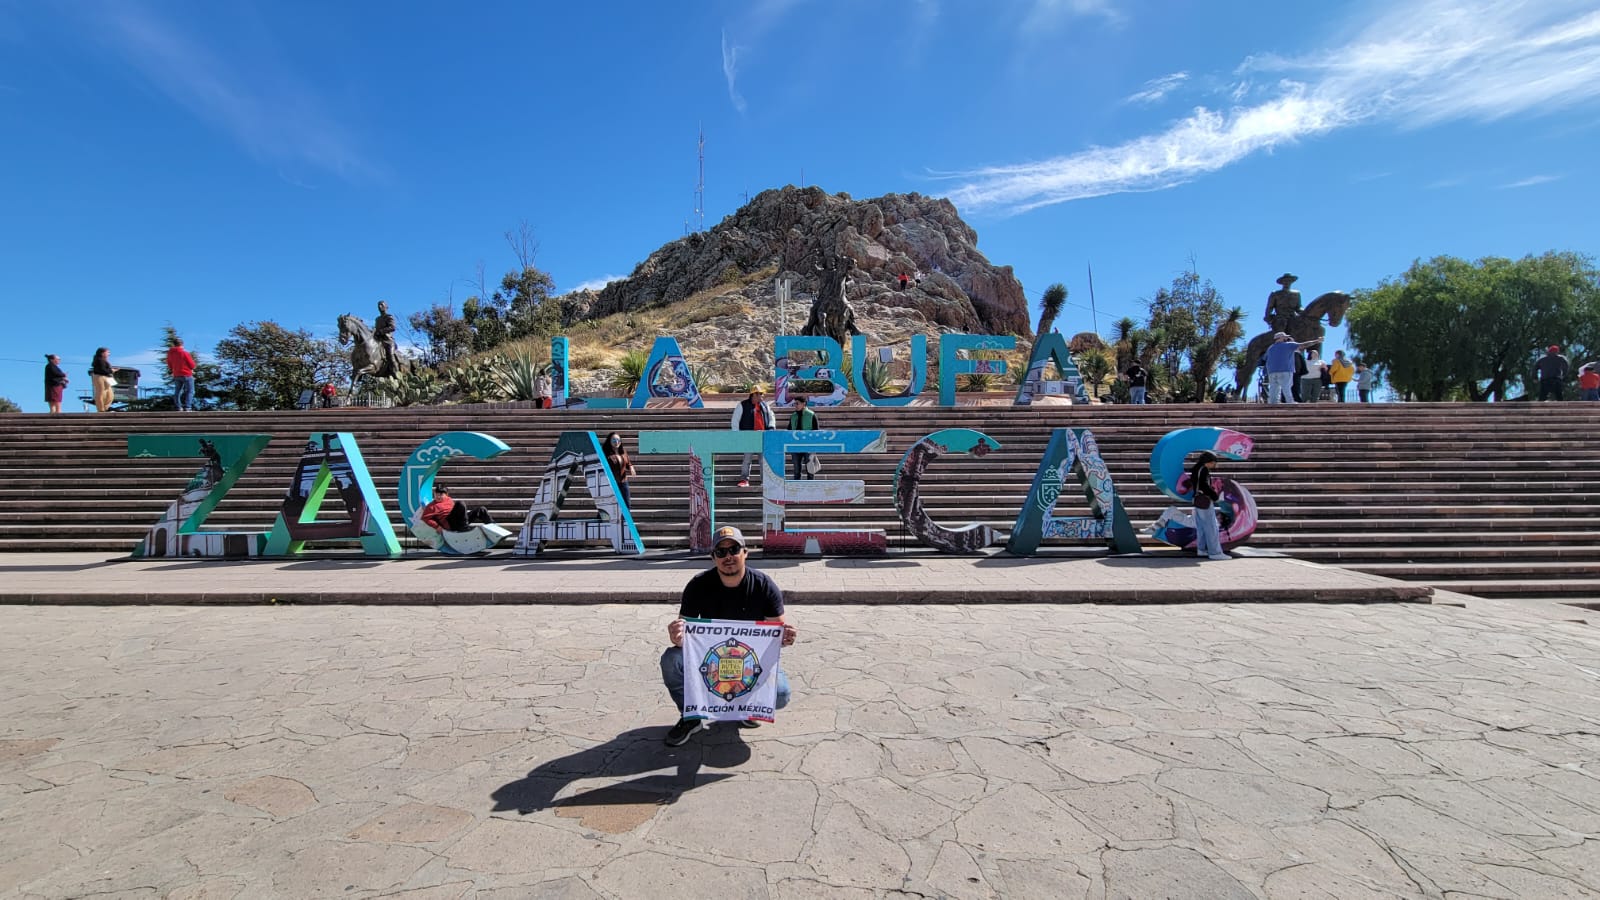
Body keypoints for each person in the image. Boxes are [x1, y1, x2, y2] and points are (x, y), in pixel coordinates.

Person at [661, 525, 796, 746]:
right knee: (671, 660)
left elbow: (777, 633)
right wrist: (677, 636)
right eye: (721, 552)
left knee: (780, 694)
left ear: (745, 552)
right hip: (711, 662)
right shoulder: (698, 585)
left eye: (733, 549)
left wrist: (786, 637)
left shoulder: (764, 585)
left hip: (749, 662)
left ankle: (748, 708)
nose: (728, 557)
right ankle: (692, 716)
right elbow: (684, 633)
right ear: (713, 557)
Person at [730, 388, 776, 488]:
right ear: (754, 395)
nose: (762, 396)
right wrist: (736, 435)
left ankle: (765, 481)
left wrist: (771, 428)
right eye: (760, 394)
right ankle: (744, 480)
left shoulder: (765, 405)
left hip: (763, 436)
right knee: (747, 459)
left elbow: (771, 417)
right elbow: (735, 420)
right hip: (748, 436)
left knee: (763, 460)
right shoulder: (742, 405)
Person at [1189, 451, 1229, 561]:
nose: (1214, 465)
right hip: (1204, 500)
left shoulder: (1196, 468)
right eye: (1214, 462)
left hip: (1198, 499)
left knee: (1201, 526)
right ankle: (1215, 552)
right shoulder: (1203, 469)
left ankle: (1201, 549)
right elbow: (1204, 485)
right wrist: (1215, 496)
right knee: (1211, 526)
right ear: (1209, 462)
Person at [1263, 333, 1318, 405]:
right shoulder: (1288, 345)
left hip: (1272, 371)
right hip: (1285, 370)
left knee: (1273, 387)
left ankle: (1273, 403)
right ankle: (1290, 401)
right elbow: (1303, 344)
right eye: (1285, 337)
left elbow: (1265, 358)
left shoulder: (1270, 348)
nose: (1286, 339)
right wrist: (1317, 341)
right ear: (1281, 338)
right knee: (1286, 386)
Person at [787, 395, 819, 479]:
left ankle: (810, 488)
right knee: (796, 470)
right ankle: (797, 489)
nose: (795, 405)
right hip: (795, 446)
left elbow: (816, 431)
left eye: (797, 403)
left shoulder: (811, 415)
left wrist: (814, 446)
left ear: (804, 404)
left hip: (808, 445)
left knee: (810, 469)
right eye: (794, 404)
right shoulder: (793, 416)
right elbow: (789, 430)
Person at [603, 432, 637, 507]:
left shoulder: (623, 452)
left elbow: (628, 463)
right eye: (614, 440)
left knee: (627, 504)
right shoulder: (605, 453)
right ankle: (601, 518)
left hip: (623, 482)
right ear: (609, 441)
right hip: (611, 483)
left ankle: (625, 519)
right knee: (608, 505)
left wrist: (631, 467)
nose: (616, 442)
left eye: (618, 440)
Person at [165, 338, 197, 412]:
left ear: (174, 344)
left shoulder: (170, 353)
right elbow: (192, 365)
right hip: (186, 374)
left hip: (176, 374)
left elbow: (169, 364)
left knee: (177, 391)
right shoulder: (185, 353)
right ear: (182, 344)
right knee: (190, 391)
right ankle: (188, 407)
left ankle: (178, 407)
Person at [373, 301, 399, 378]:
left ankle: (395, 372)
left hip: (388, 340)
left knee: (390, 355)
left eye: (382, 305)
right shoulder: (377, 319)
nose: (380, 307)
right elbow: (376, 329)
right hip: (378, 340)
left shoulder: (389, 316)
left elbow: (392, 327)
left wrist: (381, 331)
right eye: (378, 305)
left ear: (386, 307)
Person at [89, 347, 116, 412]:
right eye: (108, 352)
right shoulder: (99, 360)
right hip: (100, 377)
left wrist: (111, 370)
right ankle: (101, 409)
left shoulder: (105, 360)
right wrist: (112, 370)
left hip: (107, 377)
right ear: (102, 353)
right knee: (101, 393)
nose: (109, 354)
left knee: (110, 395)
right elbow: (103, 370)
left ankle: (105, 407)